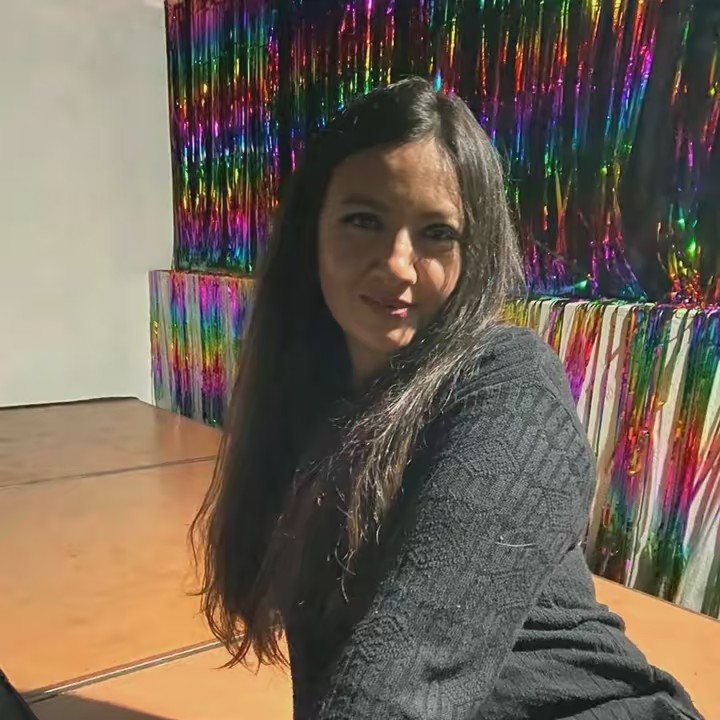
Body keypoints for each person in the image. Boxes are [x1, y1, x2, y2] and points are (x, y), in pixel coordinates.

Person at [191, 77, 701, 719]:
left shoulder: (510, 387)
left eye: (437, 233)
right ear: (311, 230)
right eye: (364, 221)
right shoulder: (312, 402)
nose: (398, 264)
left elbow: (410, 666)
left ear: (472, 252)